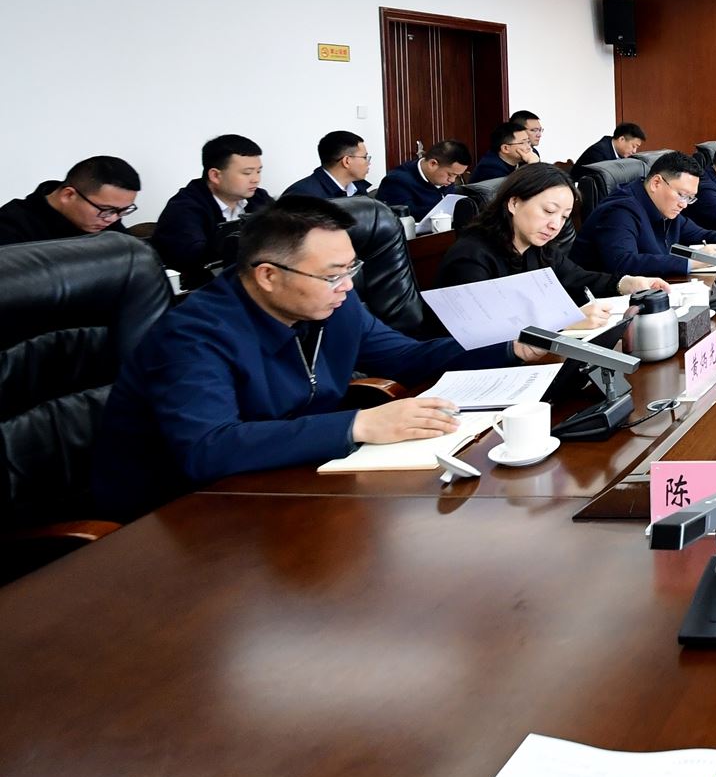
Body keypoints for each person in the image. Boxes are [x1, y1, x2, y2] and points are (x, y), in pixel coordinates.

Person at [91, 196, 554, 522]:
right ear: (268, 275)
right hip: (184, 514)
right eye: (333, 275)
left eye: (352, 269)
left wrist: (511, 348)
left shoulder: (335, 306)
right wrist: (358, 425)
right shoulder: (193, 336)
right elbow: (207, 448)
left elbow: (407, 357)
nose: (348, 286)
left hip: (290, 481)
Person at [434, 165, 671, 323]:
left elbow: (577, 278)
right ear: (514, 203)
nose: (555, 225)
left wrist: (627, 283)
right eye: (548, 211)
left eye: (564, 217)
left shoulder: (538, 248)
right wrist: (566, 321)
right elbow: (488, 326)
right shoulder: (470, 256)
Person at [580, 149, 716, 279]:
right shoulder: (619, 210)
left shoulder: (664, 206)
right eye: (682, 194)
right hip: (605, 305)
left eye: (690, 198)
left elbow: (702, 235)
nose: (684, 204)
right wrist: (692, 262)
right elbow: (624, 263)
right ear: (656, 183)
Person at [153, 134, 273, 289]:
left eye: (258, 171)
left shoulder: (259, 199)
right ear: (215, 175)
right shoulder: (183, 210)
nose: (256, 179)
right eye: (247, 173)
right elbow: (195, 261)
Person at [0, 156, 142, 247]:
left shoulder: (107, 218)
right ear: (68, 195)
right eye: (106, 209)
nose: (112, 219)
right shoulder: (11, 225)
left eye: (122, 211)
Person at [376, 140, 471, 219]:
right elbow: (408, 217)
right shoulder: (397, 181)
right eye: (450, 174)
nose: (452, 180)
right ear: (432, 164)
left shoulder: (445, 180)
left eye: (457, 176)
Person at [282, 130, 373, 199]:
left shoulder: (358, 189)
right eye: (365, 157)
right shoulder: (302, 195)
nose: (368, 163)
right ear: (346, 161)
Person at [472, 118, 538, 183]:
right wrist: (533, 165)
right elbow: (524, 187)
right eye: (522, 143)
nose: (529, 147)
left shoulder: (528, 156)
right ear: (505, 148)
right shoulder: (491, 169)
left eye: (528, 142)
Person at [575, 122, 647, 167]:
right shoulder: (598, 152)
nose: (634, 151)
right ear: (621, 139)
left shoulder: (621, 154)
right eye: (633, 146)